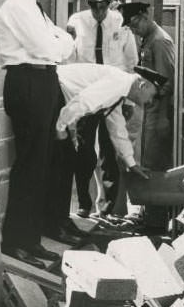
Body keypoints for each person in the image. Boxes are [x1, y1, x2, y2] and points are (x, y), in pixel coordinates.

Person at [0, 0, 75, 268]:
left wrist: (59, 43)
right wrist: (59, 43)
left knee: (42, 164)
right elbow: (50, 47)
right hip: (27, 82)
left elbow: (67, 45)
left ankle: (30, 239)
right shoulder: (17, 5)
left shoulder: (32, 6)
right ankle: (15, 242)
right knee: (30, 165)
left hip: (43, 81)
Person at [48, 64, 162, 227]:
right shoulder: (118, 83)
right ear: (143, 85)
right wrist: (60, 126)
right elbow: (83, 101)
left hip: (60, 97)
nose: (148, 102)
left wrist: (131, 163)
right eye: (150, 97)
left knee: (66, 162)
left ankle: (61, 222)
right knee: (64, 162)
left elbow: (117, 128)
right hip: (55, 89)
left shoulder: (121, 89)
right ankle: (59, 223)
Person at [66, 0, 138, 219]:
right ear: (88, 5)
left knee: (110, 149)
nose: (99, 12)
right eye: (94, 7)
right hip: (87, 93)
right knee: (83, 151)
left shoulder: (121, 23)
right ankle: (84, 202)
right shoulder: (77, 21)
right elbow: (70, 61)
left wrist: (128, 101)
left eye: (103, 6)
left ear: (109, 3)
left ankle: (107, 207)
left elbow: (131, 63)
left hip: (113, 94)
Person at [121, 2, 175, 234]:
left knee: (155, 164)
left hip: (159, 113)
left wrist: (158, 112)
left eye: (135, 25)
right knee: (147, 162)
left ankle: (156, 222)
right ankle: (148, 214)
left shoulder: (160, 41)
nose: (134, 31)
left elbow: (167, 82)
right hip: (149, 111)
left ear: (144, 16)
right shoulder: (149, 39)